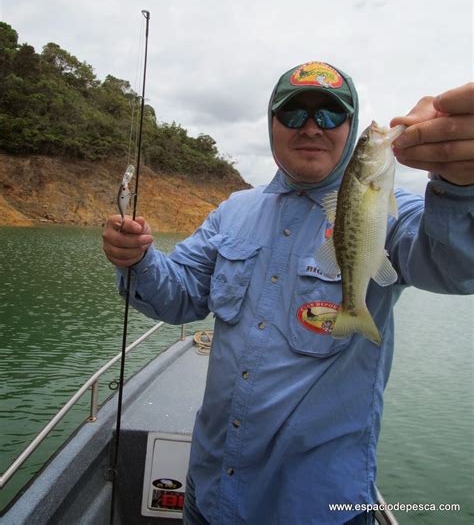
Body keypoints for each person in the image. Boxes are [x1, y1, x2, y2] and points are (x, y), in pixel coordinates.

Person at [102, 61, 474, 525]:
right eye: (295, 114)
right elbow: (177, 297)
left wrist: (459, 185)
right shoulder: (233, 211)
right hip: (210, 488)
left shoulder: (396, 210)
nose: (312, 127)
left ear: (352, 127)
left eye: (331, 115)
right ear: (272, 124)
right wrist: (137, 259)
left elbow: (456, 267)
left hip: (316, 506)